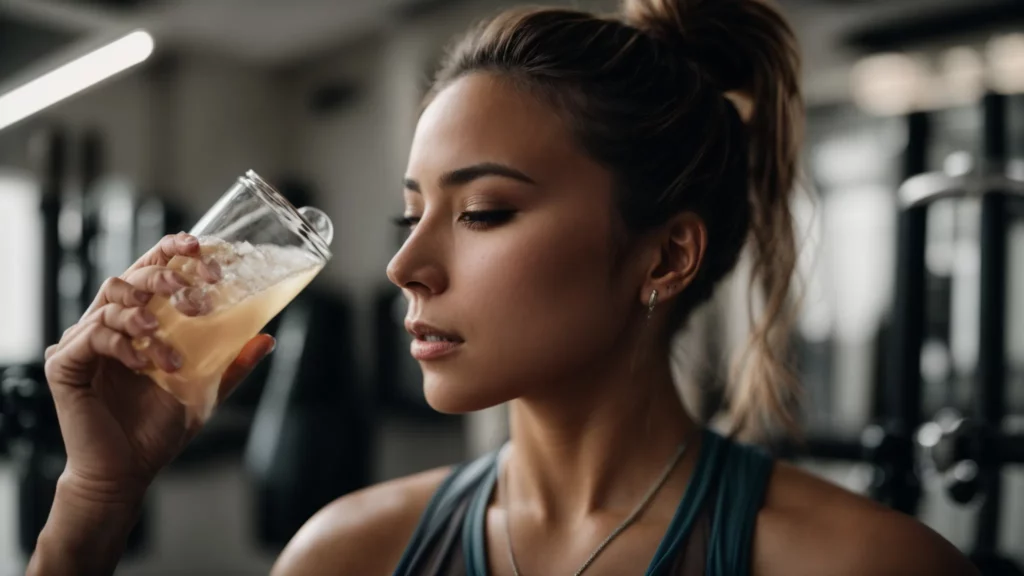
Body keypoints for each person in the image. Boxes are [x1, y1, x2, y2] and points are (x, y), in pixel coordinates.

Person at [29, 0, 979, 574]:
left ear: (665, 258)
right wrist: (96, 505)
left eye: (481, 212)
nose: (405, 266)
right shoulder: (346, 555)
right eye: (413, 216)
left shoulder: (865, 565)